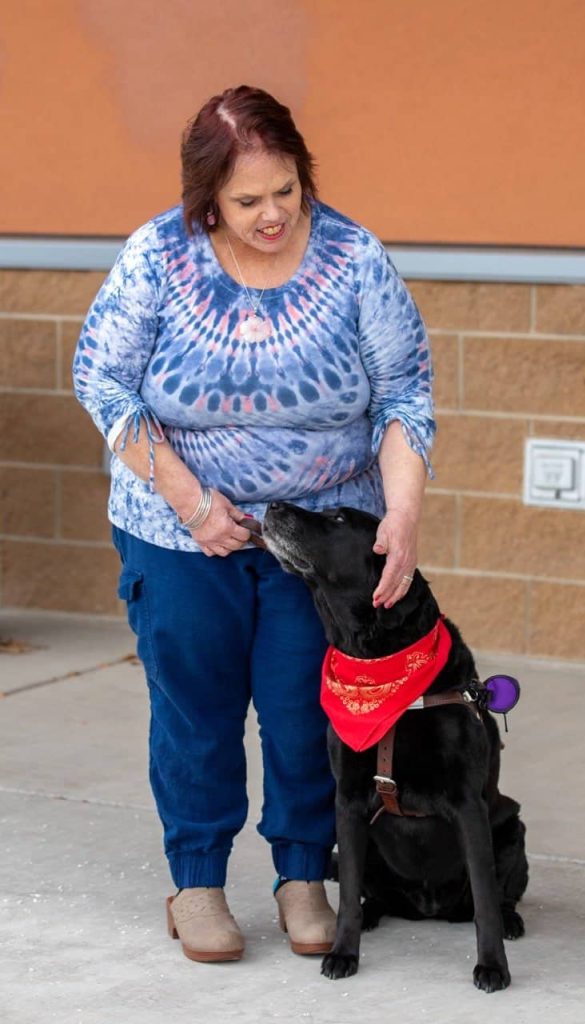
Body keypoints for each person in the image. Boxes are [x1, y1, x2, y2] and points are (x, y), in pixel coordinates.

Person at [73, 85, 435, 964]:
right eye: (247, 201)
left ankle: (302, 876)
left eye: (287, 192)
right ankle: (197, 883)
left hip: (315, 542)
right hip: (176, 529)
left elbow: (403, 394)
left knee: (300, 708)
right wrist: (191, 500)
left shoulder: (354, 259)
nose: (272, 215)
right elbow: (102, 380)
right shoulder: (158, 256)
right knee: (194, 708)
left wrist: (405, 510)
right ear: (207, 199)